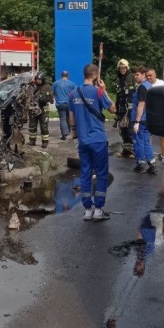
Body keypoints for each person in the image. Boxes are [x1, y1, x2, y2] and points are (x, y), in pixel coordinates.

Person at [68, 63, 116, 221]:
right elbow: (113, 109)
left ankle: (87, 209)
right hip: (98, 140)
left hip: (83, 141)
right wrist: (105, 89)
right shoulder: (98, 92)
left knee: (85, 174)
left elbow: (71, 115)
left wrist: (75, 134)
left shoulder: (74, 93)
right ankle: (99, 210)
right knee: (101, 174)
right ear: (95, 76)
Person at [131, 66, 156, 174]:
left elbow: (141, 104)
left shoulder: (142, 87)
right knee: (146, 141)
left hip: (140, 119)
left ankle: (140, 164)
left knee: (139, 141)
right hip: (148, 118)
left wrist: (137, 121)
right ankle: (151, 163)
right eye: (135, 74)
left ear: (143, 75)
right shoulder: (149, 86)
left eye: (137, 74)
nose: (135, 76)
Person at [146, 67, 164, 165]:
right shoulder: (145, 85)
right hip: (148, 112)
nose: (149, 77)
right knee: (147, 135)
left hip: (160, 112)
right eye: (147, 76)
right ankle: (148, 155)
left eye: (150, 75)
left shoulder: (161, 83)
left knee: (163, 134)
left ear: (155, 75)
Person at [114, 59, 136, 158]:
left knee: (130, 130)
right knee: (123, 129)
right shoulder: (119, 79)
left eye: (124, 68)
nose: (122, 69)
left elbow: (137, 93)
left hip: (130, 109)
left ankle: (133, 151)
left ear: (127, 68)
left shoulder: (132, 77)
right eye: (120, 68)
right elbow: (118, 95)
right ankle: (126, 151)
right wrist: (117, 109)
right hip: (122, 108)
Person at [27, 71, 54, 148]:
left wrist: (44, 99)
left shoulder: (47, 87)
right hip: (33, 109)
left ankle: (45, 142)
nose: (38, 81)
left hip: (43, 110)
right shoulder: (32, 86)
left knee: (44, 127)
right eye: (37, 79)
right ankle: (32, 141)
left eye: (40, 79)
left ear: (43, 80)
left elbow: (51, 98)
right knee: (32, 126)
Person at [51, 70, 77, 141]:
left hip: (60, 104)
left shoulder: (56, 83)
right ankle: (68, 132)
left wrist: (52, 99)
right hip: (69, 104)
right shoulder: (71, 84)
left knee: (62, 119)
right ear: (67, 76)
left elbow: (51, 92)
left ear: (61, 75)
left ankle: (64, 134)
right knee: (68, 119)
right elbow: (76, 92)